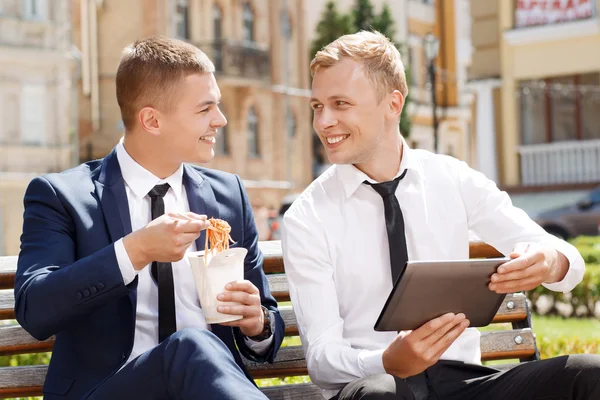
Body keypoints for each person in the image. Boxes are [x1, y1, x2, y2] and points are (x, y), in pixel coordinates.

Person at [281, 30, 600, 400]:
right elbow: (321, 358)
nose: (323, 122)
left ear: (392, 104)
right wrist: (386, 360)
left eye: (340, 103)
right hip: (376, 385)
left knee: (586, 374)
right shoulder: (307, 217)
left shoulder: (451, 178)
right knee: (380, 394)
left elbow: (561, 257)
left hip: (462, 383)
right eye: (318, 106)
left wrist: (550, 261)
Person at [14, 36, 283, 400]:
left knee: (194, 347)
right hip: (108, 391)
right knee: (189, 345)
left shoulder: (227, 196)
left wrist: (258, 325)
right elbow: (36, 310)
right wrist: (134, 250)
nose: (220, 120)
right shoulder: (62, 196)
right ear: (152, 120)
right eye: (205, 109)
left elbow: (264, 317)